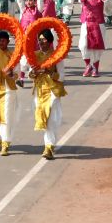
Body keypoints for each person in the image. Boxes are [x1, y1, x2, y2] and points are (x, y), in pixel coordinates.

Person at [30, 29, 66, 160]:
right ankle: (49, 144)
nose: (41, 42)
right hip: (39, 90)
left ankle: (49, 147)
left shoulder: (57, 56)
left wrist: (50, 72)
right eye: (39, 40)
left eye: (43, 40)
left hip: (52, 90)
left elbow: (62, 76)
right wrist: (34, 72)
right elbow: (30, 74)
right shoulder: (34, 55)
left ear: (50, 41)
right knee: (42, 118)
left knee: (51, 119)